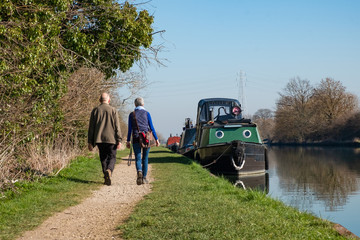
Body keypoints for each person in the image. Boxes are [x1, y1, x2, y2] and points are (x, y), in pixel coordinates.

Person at [88, 93, 122, 186]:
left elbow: (91, 127)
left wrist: (90, 142)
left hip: (99, 139)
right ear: (109, 100)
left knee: (103, 158)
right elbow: (117, 126)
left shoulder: (95, 111)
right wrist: (119, 139)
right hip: (111, 139)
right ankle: (109, 170)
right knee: (112, 157)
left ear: (100, 100)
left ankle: (105, 175)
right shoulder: (113, 110)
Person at [126, 97, 160, 185]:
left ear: (135, 104)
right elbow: (152, 128)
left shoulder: (131, 115)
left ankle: (139, 171)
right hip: (146, 138)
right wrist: (156, 139)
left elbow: (130, 129)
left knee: (137, 157)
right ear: (143, 104)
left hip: (136, 137)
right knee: (145, 158)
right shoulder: (147, 113)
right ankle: (144, 178)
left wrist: (128, 141)